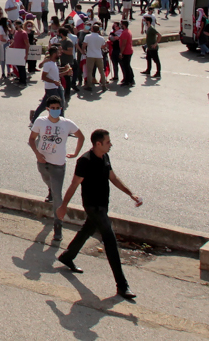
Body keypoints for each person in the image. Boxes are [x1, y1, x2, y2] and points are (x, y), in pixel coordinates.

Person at [55, 129, 142, 301]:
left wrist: (131, 194)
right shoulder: (85, 161)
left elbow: (113, 177)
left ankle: (67, 256)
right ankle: (122, 286)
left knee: (87, 229)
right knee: (110, 240)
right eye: (108, 142)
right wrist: (63, 205)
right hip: (92, 206)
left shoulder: (105, 157)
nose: (111, 145)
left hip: (103, 205)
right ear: (98, 144)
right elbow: (73, 185)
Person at [28, 96, 83, 242]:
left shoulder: (67, 124)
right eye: (52, 108)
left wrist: (76, 153)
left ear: (61, 109)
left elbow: (81, 136)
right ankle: (50, 190)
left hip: (58, 165)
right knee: (48, 182)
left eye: (57, 108)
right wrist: (38, 154)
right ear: (47, 109)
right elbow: (31, 139)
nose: (55, 111)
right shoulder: (40, 122)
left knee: (58, 196)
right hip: (42, 163)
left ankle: (58, 225)